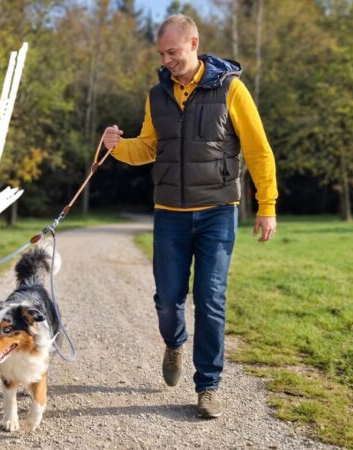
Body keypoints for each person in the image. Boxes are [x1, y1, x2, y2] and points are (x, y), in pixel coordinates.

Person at [102, 14, 277, 419]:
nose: (166, 61)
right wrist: (116, 146)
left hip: (218, 211)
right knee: (167, 300)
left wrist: (266, 205)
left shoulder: (231, 89)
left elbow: (258, 150)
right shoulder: (157, 95)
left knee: (211, 298)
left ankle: (208, 386)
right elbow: (149, 148)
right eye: (161, 54)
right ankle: (174, 342)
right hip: (170, 214)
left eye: (173, 52)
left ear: (194, 44)